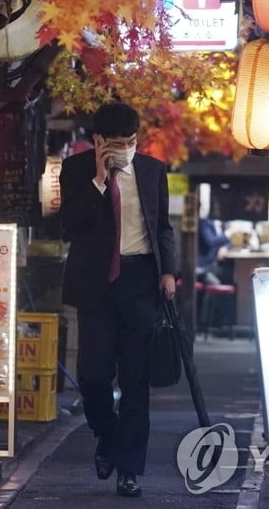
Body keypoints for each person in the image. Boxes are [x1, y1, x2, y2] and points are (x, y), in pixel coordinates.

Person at [59, 102, 176, 498]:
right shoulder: (74, 171)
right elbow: (69, 227)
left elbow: (163, 227)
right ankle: (106, 436)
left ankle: (129, 469)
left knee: (135, 380)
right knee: (93, 376)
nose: (124, 149)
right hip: (96, 285)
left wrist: (168, 272)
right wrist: (96, 180)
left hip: (140, 280)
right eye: (116, 143)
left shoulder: (152, 170)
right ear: (97, 141)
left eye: (130, 141)